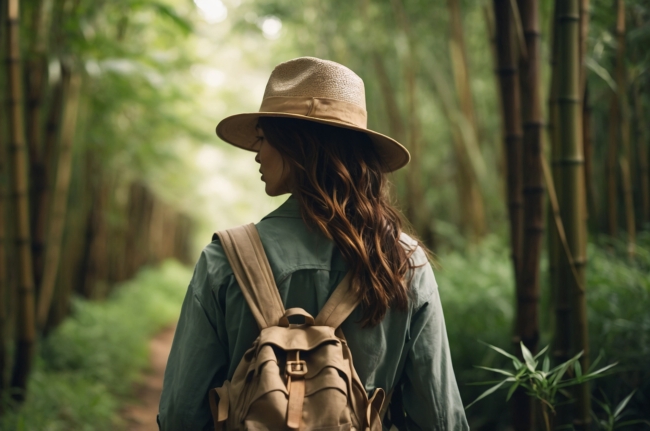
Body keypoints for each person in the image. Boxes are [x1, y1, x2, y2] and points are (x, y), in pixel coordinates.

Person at [158, 57, 468, 430]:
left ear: (296, 144)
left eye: (262, 138)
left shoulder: (224, 259)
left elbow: (180, 414)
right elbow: (439, 418)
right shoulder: (403, 263)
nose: (256, 153)